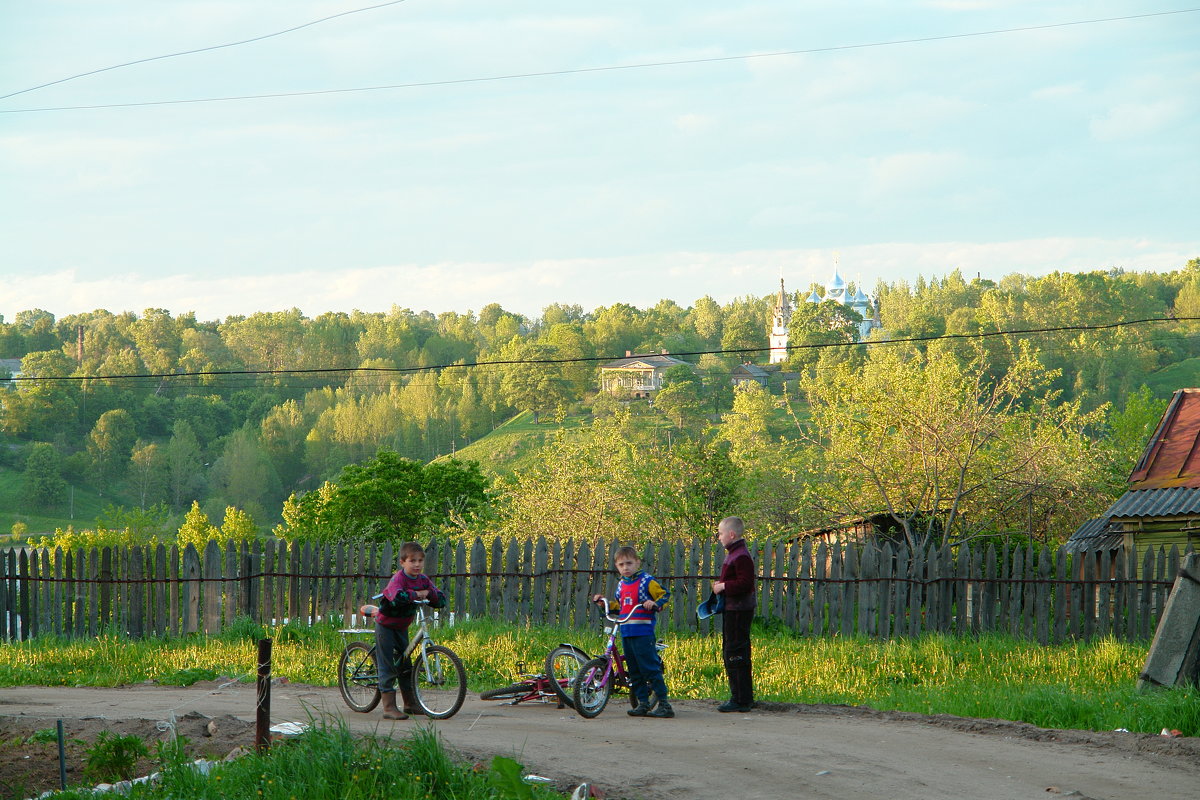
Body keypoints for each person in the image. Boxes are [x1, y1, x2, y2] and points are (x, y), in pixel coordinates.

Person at [590, 546, 674, 718]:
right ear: (616, 567)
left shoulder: (646, 581)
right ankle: (643, 703)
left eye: (629, 563)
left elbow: (665, 595)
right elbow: (621, 607)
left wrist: (654, 603)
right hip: (626, 631)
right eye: (621, 565)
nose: (625, 567)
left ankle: (665, 705)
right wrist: (605, 603)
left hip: (643, 631)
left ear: (637, 563)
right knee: (634, 670)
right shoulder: (621, 585)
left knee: (649, 668)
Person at [375, 541, 446, 720]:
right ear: (402, 562)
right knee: (388, 665)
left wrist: (431, 595)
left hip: (402, 626)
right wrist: (416, 594)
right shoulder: (398, 579)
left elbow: (440, 598)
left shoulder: (423, 580)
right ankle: (389, 707)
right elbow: (396, 596)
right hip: (386, 626)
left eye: (420, 560)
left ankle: (410, 703)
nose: (417, 565)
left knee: (405, 664)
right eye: (412, 561)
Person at [713, 516, 755, 712]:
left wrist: (723, 586)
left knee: (735, 652)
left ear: (731, 534)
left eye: (721, 533)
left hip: (739, 610)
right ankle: (740, 696)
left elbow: (746, 583)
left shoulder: (741, 556)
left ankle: (741, 699)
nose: (719, 537)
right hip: (733, 609)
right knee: (732, 651)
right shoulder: (734, 553)